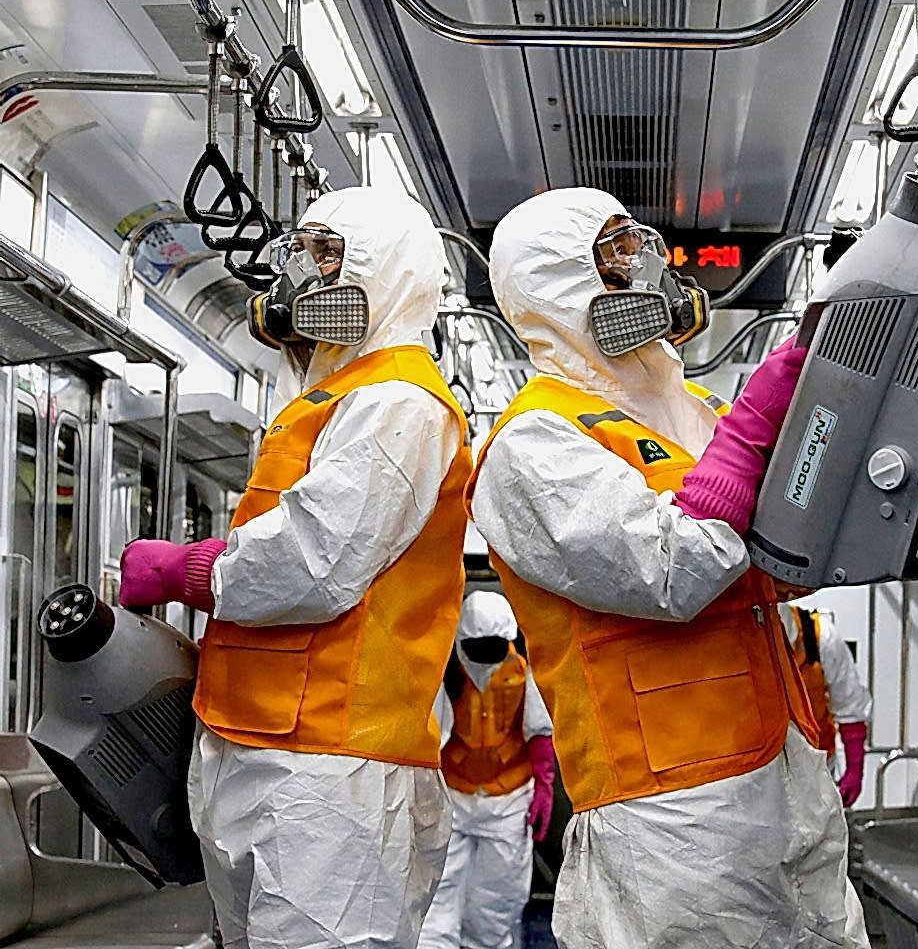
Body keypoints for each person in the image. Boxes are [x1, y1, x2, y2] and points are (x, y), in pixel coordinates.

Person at [465, 187, 869, 948]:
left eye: (640, 244)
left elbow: (777, 565)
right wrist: (758, 421)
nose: (647, 267)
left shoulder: (694, 412)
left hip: (787, 770)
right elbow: (676, 570)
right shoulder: (531, 444)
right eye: (616, 252)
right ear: (557, 283)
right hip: (673, 810)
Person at [118, 187, 472, 949]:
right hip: (259, 739)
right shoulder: (328, 397)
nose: (308, 274)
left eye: (330, 254)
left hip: (333, 766)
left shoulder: (400, 400)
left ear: (389, 268)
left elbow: (316, 561)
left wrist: (189, 570)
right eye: (302, 253)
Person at [418, 590, 554, 949]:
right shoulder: (443, 672)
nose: (486, 652)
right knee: (435, 897)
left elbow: (539, 730)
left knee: (496, 900)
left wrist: (545, 786)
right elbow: (428, 736)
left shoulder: (523, 670)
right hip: (452, 801)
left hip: (508, 802)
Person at [780, 602, 872, 807]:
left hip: (817, 767)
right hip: (760, 772)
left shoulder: (819, 635)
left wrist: (854, 769)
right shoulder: (736, 640)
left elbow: (850, 706)